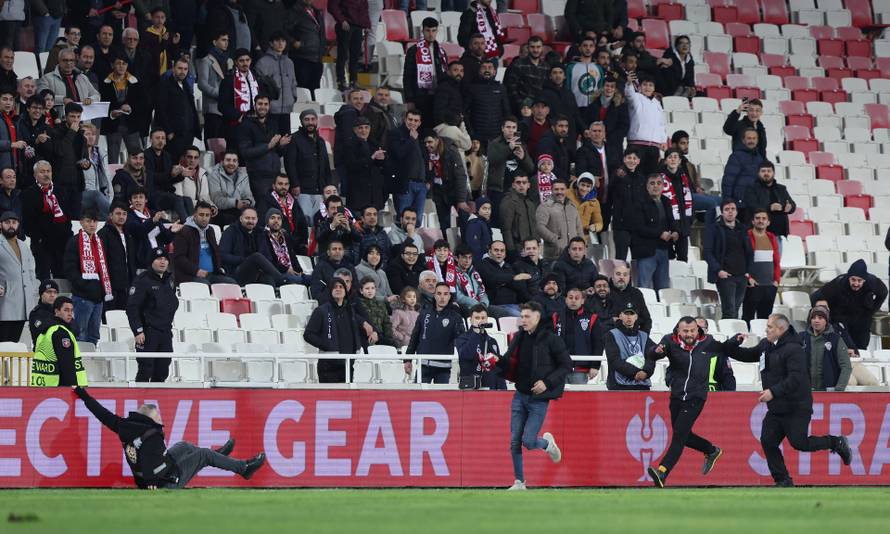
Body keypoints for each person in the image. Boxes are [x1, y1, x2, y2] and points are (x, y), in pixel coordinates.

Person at [725, 314, 852, 486]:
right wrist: (733, 343)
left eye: (770, 327)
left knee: (800, 443)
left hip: (796, 406)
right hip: (777, 408)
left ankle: (835, 442)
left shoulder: (794, 349)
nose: (766, 330)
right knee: (768, 441)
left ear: (781, 329)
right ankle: (783, 480)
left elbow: (796, 378)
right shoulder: (765, 345)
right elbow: (746, 355)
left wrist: (773, 392)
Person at [74, 386, 265, 488]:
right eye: (157, 415)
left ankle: (217, 457)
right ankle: (244, 468)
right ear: (149, 418)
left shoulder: (125, 426)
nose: (160, 418)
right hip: (165, 482)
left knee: (184, 445)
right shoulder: (153, 435)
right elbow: (148, 458)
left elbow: (102, 413)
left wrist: (83, 394)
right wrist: (150, 482)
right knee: (203, 455)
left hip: (158, 472)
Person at [641, 317, 726, 488]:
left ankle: (662, 471)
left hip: (696, 397)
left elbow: (727, 349)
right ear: (679, 331)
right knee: (684, 436)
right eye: (685, 331)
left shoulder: (707, 342)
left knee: (679, 435)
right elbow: (651, 355)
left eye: (692, 330)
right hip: (677, 396)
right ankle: (711, 450)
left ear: (697, 330)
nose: (689, 334)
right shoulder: (669, 341)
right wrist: (655, 351)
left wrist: (736, 341)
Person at [497, 301, 571, 490]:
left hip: (539, 399)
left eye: (527, 316)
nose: (523, 320)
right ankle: (519, 482)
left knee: (528, 441)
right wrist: (496, 362)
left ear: (537, 317)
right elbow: (508, 360)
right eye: (522, 316)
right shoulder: (518, 338)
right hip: (519, 395)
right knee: (515, 440)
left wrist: (547, 383)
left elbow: (566, 366)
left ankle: (547, 444)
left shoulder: (551, 339)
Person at [810, 259, 888, 350]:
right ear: (848, 277)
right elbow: (815, 297)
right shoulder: (839, 283)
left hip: (862, 318)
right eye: (853, 280)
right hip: (841, 318)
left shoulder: (872, 282)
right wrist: (825, 314)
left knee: (861, 347)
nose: (856, 283)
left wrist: (873, 310)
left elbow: (883, 293)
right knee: (845, 348)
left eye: (859, 281)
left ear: (865, 280)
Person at [127, 247, 178, 383]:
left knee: (162, 370)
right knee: (145, 369)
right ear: (151, 261)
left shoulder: (170, 280)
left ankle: (158, 402)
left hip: (165, 332)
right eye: (159, 259)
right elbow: (132, 307)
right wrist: (138, 331)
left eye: (165, 259)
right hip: (148, 332)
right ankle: (140, 401)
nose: (163, 262)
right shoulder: (142, 280)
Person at [63, 208, 113, 345]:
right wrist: (83, 285)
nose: (92, 224)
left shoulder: (99, 242)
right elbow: (69, 268)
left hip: (98, 297)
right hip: (82, 296)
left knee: (94, 335)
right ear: (81, 222)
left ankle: (92, 364)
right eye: (88, 221)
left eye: (95, 221)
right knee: (80, 334)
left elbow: (104, 268)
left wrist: (103, 290)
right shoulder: (74, 242)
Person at [406, 282, 467, 383]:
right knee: (419, 398)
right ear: (434, 295)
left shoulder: (455, 317)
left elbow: (462, 342)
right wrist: (407, 360)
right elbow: (415, 338)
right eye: (439, 293)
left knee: (442, 398)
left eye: (445, 294)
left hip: (443, 368)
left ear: (449, 296)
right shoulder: (424, 313)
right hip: (423, 365)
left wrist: (464, 364)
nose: (442, 297)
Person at [21, 160, 71, 279]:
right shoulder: (28, 193)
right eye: (42, 171)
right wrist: (38, 237)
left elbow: (67, 216)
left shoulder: (60, 191)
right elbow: (28, 222)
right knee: (43, 278)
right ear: (35, 175)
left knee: (62, 277)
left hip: (61, 242)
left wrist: (68, 235)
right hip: (41, 244)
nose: (46, 174)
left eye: (48, 171)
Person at [38, 102, 89, 220]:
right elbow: (60, 151)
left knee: (76, 218)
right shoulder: (55, 132)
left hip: (76, 183)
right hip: (59, 182)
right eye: (72, 116)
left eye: (78, 117)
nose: (76, 120)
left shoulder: (81, 136)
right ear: (65, 116)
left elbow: (85, 157)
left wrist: (86, 164)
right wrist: (71, 132)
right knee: (60, 218)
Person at [236, 94, 292, 202]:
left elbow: (277, 152)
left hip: (275, 176)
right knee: (263, 209)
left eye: (266, 104)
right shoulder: (246, 125)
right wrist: (268, 146)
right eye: (260, 104)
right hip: (258, 177)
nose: (263, 107)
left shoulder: (273, 124)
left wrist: (281, 145)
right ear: (254, 105)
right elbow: (245, 152)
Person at [218, 207, 293, 287]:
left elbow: (267, 257)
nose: (250, 221)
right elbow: (223, 255)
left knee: (268, 280)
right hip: (235, 272)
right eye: (247, 218)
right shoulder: (231, 231)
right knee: (256, 257)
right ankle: (283, 281)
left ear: (257, 220)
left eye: (253, 218)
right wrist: (244, 259)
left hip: (256, 272)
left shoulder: (260, 232)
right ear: (240, 219)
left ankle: (275, 295)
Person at [704, 200, 752, 320]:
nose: (730, 212)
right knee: (729, 310)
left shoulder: (743, 228)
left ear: (736, 211)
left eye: (733, 209)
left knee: (735, 309)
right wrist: (718, 270)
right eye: (727, 209)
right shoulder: (714, 228)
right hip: (725, 275)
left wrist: (748, 271)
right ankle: (729, 337)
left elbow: (749, 251)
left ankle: (733, 336)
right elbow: (707, 252)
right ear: (722, 212)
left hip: (741, 275)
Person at [284, 109, 333, 221]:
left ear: (316, 121)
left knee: (319, 220)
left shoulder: (320, 141)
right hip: (302, 190)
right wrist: (295, 184)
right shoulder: (294, 139)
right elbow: (289, 164)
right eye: (307, 119)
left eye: (313, 119)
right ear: (301, 122)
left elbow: (326, 165)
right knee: (305, 220)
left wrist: (328, 186)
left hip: (320, 190)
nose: (310, 122)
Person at [630, 174, 676, 291]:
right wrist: (660, 233)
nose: (655, 186)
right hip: (646, 251)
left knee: (663, 289)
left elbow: (671, 221)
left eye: (659, 183)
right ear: (647, 186)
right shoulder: (639, 202)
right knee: (644, 288)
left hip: (664, 250)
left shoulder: (666, 201)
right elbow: (639, 227)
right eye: (652, 183)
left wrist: (676, 232)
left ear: (663, 186)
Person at [100, 54, 148, 165]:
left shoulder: (134, 81)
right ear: (112, 65)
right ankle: (113, 180)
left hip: (131, 125)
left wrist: (131, 108)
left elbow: (143, 103)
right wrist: (111, 113)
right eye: (118, 63)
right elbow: (103, 102)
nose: (121, 66)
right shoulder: (105, 83)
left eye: (124, 63)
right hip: (113, 125)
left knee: (136, 155)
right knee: (113, 158)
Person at [173, 201, 235, 286]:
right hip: (190, 276)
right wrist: (196, 271)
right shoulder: (184, 231)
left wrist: (219, 268)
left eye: (207, 215)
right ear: (194, 215)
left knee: (232, 284)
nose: (204, 218)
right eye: (201, 215)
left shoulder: (210, 230)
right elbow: (179, 258)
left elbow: (216, 253)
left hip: (212, 275)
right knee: (206, 286)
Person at [29, 296, 87, 387]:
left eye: (71, 310)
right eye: (66, 310)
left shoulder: (45, 330)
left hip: (41, 386)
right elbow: (67, 365)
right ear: (56, 311)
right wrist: (74, 388)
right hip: (61, 388)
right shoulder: (61, 333)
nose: (70, 314)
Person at [486, 117, 535, 223]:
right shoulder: (495, 143)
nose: (511, 130)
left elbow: (531, 168)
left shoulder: (521, 145)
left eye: (514, 127)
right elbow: (492, 160)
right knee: (498, 221)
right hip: (499, 190)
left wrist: (523, 157)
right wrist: (509, 148)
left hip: (517, 190)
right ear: (502, 128)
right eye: (508, 127)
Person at [553, 287, 604, 384]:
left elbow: (598, 344)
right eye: (570, 297)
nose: (573, 300)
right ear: (566, 300)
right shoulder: (556, 317)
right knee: (559, 399)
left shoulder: (592, 318)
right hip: (559, 369)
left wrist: (595, 366)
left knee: (578, 398)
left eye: (577, 298)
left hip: (580, 369)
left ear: (582, 301)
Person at [0, 211, 37, 342]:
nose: (11, 225)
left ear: (18, 225)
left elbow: (31, 269)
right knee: (2, 343)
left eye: (14, 222)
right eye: (7, 222)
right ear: (1, 225)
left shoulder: (24, 245)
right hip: (4, 300)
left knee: (13, 343)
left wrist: (33, 288)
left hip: (22, 301)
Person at [153, 57, 199, 160]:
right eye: (180, 68)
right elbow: (161, 110)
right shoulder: (164, 85)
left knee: (185, 164)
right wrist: (169, 132)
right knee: (173, 164)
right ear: (173, 69)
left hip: (187, 134)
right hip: (173, 135)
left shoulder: (186, 85)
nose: (182, 71)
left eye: (185, 69)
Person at [423, 131, 471, 231]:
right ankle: (446, 245)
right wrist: (430, 182)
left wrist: (461, 200)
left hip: (456, 191)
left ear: (437, 140)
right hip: (439, 192)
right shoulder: (426, 152)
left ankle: (466, 245)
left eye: (430, 142)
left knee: (464, 222)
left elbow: (460, 175)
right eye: (425, 143)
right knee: (444, 224)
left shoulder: (451, 150)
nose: (427, 145)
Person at [403, 17, 447, 126]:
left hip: (438, 97)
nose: (431, 34)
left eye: (433, 30)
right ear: (422, 31)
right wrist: (409, 100)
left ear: (437, 31)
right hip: (420, 96)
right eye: (428, 30)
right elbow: (407, 77)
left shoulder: (441, 52)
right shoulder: (414, 51)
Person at [124, 187, 181, 269]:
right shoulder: (129, 216)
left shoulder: (152, 214)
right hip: (142, 262)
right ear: (130, 201)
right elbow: (139, 231)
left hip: (159, 258)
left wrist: (171, 231)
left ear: (146, 200)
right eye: (135, 197)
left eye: (141, 197)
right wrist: (153, 221)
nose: (138, 200)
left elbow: (165, 239)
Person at [255, 31, 299, 134]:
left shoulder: (289, 62)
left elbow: (293, 82)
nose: (280, 43)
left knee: (286, 140)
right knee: (272, 138)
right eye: (277, 41)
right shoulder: (263, 62)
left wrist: (293, 98)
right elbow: (260, 86)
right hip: (271, 110)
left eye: (283, 41)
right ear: (271, 43)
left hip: (287, 109)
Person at [605, 302, 655, 390]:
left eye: (632, 314)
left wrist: (646, 372)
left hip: (642, 385)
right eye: (626, 314)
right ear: (620, 316)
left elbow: (652, 356)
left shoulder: (644, 336)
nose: (629, 317)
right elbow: (614, 360)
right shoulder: (611, 334)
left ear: (636, 317)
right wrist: (637, 373)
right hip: (619, 385)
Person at [801, 305, 852, 392]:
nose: (816, 320)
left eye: (820, 318)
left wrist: (839, 389)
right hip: (805, 390)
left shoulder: (836, 339)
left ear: (826, 321)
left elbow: (846, 366)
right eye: (813, 318)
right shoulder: (801, 337)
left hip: (829, 391)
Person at [742, 209, 780, 323]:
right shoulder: (746, 236)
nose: (761, 221)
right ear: (753, 221)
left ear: (768, 222)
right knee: (748, 318)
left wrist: (777, 280)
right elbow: (742, 260)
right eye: (757, 218)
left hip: (769, 285)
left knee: (764, 320)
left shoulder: (772, 237)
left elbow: (776, 261)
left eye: (764, 219)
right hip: (753, 285)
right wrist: (748, 278)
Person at [143, 128, 190, 223]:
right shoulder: (145, 155)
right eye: (157, 138)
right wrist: (171, 174)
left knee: (187, 200)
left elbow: (170, 178)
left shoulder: (167, 155)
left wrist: (181, 175)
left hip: (166, 193)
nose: (160, 141)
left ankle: (193, 226)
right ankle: (187, 226)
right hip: (152, 193)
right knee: (177, 199)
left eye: (163, 138)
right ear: (150, 140)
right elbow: (153, 178)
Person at [623, 72, 665, 177]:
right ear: (640, 86)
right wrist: (629, 83)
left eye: (650, 85)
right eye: (645, 84)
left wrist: (663, 140)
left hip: (654, 146)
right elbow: (629, 94)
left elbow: (661, 124)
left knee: (650, 177)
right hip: (637, 144)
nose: (647, 87)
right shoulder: (636, 97)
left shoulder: (657, 103)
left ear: (654, 88)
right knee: (635, 174)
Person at [97, 201, 138, 311]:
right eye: (118, 213)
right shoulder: (103, 234)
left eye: (124, 214)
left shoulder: (128, 234)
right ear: (111, 215)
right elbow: (101, 260)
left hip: (127, 284)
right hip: (110, 286)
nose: (121, 217)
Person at [456, 304, 506, 389]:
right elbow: (466, 355)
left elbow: (498, 366)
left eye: (483, 318)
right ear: (471, 320)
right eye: (477, 318)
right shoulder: (462, 338)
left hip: (491, 385)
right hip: (471, 385)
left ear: (487, 319)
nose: (480, 321)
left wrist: (497, 359)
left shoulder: (492, 341)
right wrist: (476, 333)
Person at [343, 116, 387, 213]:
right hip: (358, 195)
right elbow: (352, 165)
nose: (364, 131)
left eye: (366, 127)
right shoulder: (349, 145)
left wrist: (381, 160)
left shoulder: (374, 144)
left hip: (374, 196)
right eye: (360, 128)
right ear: (354, 130)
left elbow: (380, 167)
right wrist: (371, 158)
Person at [36, 49, 100, 115]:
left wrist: (90, 99)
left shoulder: (83, 77)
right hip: (60, 120)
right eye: (65, 60)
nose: (68, 63)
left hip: (83, 120)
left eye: (71, 60)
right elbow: (41, 96)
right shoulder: (47, 78)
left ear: (75, 62)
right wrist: (62, 100)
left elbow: (97, 95)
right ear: (59, 61)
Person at [742, 161, 796, 239]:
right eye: (763, 171)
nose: (766, 173)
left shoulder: (781, 189)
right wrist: (769, 208)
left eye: (769, 171)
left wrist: (790, 207)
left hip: (779, 233)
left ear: (773, 173)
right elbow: (752, 206)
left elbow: (793, 205)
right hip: (759, 233)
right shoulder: (751, 188)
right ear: (758, 173)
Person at [608, 148, 645, 261]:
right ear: (624, 159)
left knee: (638, 259)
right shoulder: (618, 174)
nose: (631, 161)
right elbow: (611, 190)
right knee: (621, 258)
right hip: (621, 225)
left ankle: (636, 279)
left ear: (638, 161)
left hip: (637, 226)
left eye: (634, 158)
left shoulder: (641, 178)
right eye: (629, 158)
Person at [465, 59, 512, 147]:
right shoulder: (471, 88)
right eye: (484, 68)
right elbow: (465, 112)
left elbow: (507, 112)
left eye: (490, 68)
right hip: (478, 135)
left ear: (494, 72)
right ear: (479, 71)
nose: (487, 70)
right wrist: (471, 132)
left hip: (497, 135)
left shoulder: (501, 88)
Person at [477, 240, 529, 317]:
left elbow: (521, 285)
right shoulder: (483, 265)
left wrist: (504, 281)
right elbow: (492, 280)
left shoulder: (509, 266)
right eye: (496, 250)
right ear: (490, 251)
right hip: (496, 306)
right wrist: (512, 278)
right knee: (522, 317)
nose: (499, 253)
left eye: (502, 251)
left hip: (516, 305)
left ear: (505, 254)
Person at [196, 30, 232, 139]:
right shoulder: (206, 61)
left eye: (227, 40)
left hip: (227, 109)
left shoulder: (229, 61)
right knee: (213, 141)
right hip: (212, 108)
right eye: (223, 40)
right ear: (214, 42)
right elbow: (202, 84)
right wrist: (221, 94)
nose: (226, 43)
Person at [287, 0, 327, 98]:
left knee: (315, 90)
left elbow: (321, 33)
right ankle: (300, 112)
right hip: (302, 58)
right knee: (302, 90)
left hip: (317, 58)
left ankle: (313, 111)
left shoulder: (317, 12)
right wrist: (294, 42)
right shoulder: (295, 11)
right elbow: (284, 30)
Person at [218, 49, 259, 144]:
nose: (245, 63)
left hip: (254, 125)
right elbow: (222, 105)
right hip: (235, 126)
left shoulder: (257, 79)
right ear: (236, 62)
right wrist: (240, 116)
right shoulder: (228, 80)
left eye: (247, 60)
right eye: (241, 60)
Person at [536, 180, 584, 262]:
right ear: (551, 190)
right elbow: (539, 227)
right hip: (554, 256)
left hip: (573, 255)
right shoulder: (545, 206)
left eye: (562, 189)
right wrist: (555, 240)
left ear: (566, 190)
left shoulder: (572, 206)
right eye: (556, 189)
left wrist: (582, 245)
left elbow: (579, 227)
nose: (559, 192)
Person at [659, 148, 693, 261]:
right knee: (668, 258)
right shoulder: (660, 179)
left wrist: (689, 219)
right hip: (667, 224)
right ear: (665, 161)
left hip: (683, 223)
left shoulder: (684, 178)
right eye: (670, 157)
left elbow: (689, 199)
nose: (673, 159)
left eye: (675, 157)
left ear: (679, 161)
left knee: (683, 258)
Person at [328, 0, 370, 90]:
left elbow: (364, 9)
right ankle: (341, 80)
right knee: (343, 54)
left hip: (358, 26)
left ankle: (353, 81)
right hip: (345, 25)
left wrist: (367, 24)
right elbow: (332, 6)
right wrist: (342, 20)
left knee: (355, 55)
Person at [721, 128, 765, 211]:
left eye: (754, 138)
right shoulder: (736, 156)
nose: (751, 141)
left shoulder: (759, 158)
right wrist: (727, 201)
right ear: (743, 140)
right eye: (749, 138)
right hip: (739, 203)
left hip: (754, 202)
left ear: (757, 140)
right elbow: (728, 180)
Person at [207, 151, 255, 227]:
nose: (231, 163)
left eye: (234, 161)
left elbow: (248, 194)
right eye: (228, 160)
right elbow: (216, 200)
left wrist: (247, 201)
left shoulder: (243, 175)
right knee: (234, 220)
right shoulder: (214, 175)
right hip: (221, 211)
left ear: (238, 163)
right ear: (222, 162)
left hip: (239, 210)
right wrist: (235, 203)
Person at [504, 36, 549, 114]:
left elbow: (547, 88)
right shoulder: (518, 64)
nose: (535, 50)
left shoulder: (546, 66)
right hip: (522, 109)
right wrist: (522, 105)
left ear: (542, 48)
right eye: (532, 47)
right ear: (528, 48)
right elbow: (511, 88)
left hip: (541, 109)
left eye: (538, 47)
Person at [499, 174, 538, 260]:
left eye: (524, 182)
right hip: (517, 247)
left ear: (528, 185)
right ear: (513, 185)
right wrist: (511, 250)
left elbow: (534, 225)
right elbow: (506, 228)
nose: (521, 185)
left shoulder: (530, 203)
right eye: (518, 182)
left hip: (531, 247)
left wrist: (537, 243)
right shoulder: (509, 201)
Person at [310, 239, 356, 303]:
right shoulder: (320, 267)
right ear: (328, 252)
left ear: (343, 252)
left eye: (340, 249)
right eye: (334, 249)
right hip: (328, 304)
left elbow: (356, 287)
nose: (337, 251)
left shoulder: (350, 267)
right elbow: (316, 292)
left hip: (349, 303)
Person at [567, 173, 604, 242]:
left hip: (582, 237)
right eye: (582, 185)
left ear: (591, 187)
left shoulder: (594, 202)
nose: (584, 189)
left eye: (588, 186)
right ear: (578, 184)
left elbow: (599, 223)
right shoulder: (567, 194)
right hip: (565, 235)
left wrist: (595, 227)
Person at [464, 197, 493, 263]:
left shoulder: (484, 222)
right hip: (479, 261)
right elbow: (474, 247)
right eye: (484, 208)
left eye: (489, 209)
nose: (487, 211)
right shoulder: (475, 224)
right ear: (477, 209)